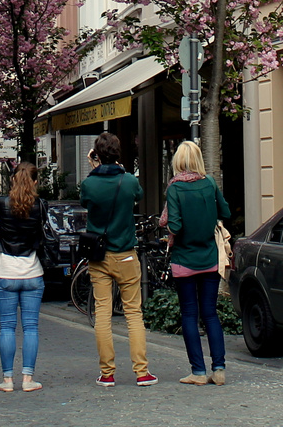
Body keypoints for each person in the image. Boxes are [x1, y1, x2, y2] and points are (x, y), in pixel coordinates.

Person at [80, 131, 156, 388]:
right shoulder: (128, 181)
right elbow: (139, 195)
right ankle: (142, 372)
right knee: (133, 313)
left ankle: (107, 373)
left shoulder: (89, 183)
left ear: (97, 155)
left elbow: (85, 200)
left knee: (103, 312)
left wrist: (95, 169)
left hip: (100, 257)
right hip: (126, 254)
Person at [164, 141, 231, 385]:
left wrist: (169, 228)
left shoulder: (175, 189)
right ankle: (220, 368)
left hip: (184, 259)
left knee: (189, 314)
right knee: (211, 314)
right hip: (210, 257)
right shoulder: (210, 183)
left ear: (178, 162)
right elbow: (225, 212)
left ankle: (198, 372)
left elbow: (176, 226)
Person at [0, 163, 47, 393]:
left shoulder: (2, 204)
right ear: (35, 182)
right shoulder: (40, 206)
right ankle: (27, 379)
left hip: (5, 269)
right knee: (31, 327)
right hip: (32, 270)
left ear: (13, 180)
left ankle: (7, 381)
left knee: (7, 327)